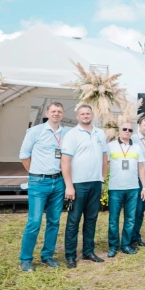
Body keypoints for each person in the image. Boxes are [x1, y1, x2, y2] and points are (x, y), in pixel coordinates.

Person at [18, 102, 70, 272]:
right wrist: (35, 173)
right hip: (39, 183)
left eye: (59, 111)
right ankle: (25, 259)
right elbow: (24, 156)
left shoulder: (66, 133)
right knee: (34, 221)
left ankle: (47, 256)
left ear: (62, 114)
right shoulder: (35, 131)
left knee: (54, 222)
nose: (56, 114)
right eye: (53, 111)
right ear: (48, 112)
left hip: (59, 182)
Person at [61, 105, 108, 269]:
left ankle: (88, 251)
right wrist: (69, 186)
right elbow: (65, 161)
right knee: (73, 220)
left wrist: (102, 180)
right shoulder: (72, 134)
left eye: (88, 113)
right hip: (77, 184)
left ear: (92, 115)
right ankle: (70, 255)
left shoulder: (100, 133)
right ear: (77, 116)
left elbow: (104, 159)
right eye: (82, 114)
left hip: (95, 183)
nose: (85, 116)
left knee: (91, 219)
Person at [106, 122, 145, 257]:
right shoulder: (110, 146)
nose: (127, 131)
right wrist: (102, 181)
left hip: (133, 188)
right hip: (115, 188)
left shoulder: (136, 147)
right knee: (113, 219)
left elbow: (141, 168)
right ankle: (113, 246)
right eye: (124, 129)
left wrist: (144, 187)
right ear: (119, 130)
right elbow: (104, 164)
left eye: (130, 130)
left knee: (130, 219)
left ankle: (125, 245)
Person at [130, 116, 145, 247]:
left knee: (142, 210)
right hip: (137, 181)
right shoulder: (133, 139)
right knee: (135, 210)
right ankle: (130, 238)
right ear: (139, 125)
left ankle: (136, 236)